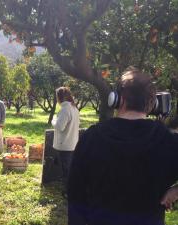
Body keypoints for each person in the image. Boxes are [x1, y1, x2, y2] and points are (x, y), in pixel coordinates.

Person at [68, 69, 178, 225]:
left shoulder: (90, 138)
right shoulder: (168, 141)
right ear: (153, 103)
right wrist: (175, 191)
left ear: (117, 99)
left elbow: (75, 194)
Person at [52, 87, 79, 192]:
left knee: (66, 170)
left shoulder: (65, 109)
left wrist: (54, 120)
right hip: (72, 143)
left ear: (59, 97)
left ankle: (68, 191)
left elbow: (60, 127)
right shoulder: (74, 108)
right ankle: (69, 189)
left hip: (65, 145)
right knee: (69, 168)